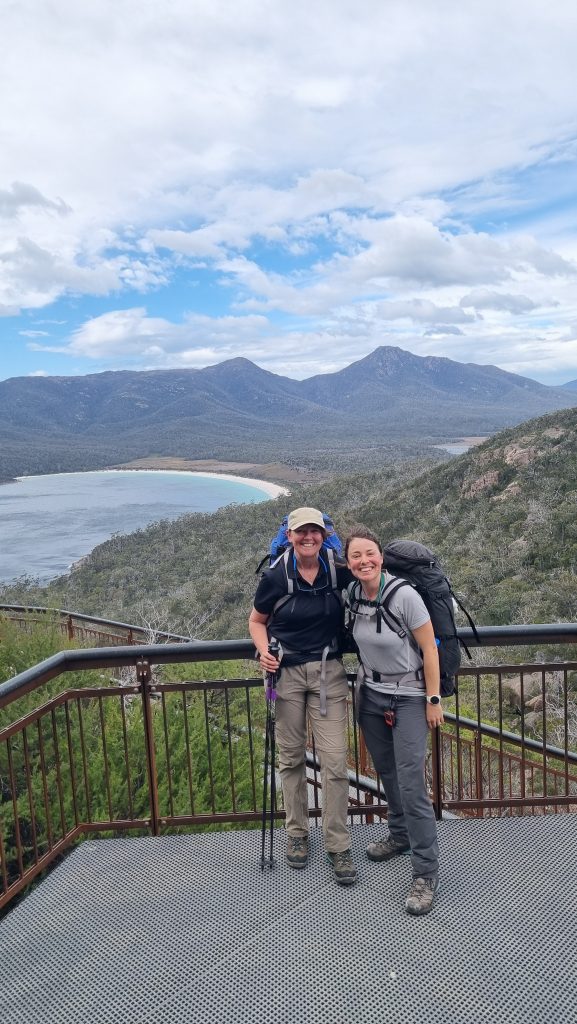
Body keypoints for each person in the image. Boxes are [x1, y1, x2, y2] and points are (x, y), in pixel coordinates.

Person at [249, 507, 357, 885]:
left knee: (335, 760)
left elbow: (371, 580)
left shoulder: (336, 568)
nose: (308, 537)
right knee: (291, 757)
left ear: (323, 534)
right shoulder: (276, 575)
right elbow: (256, 620)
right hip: (286, 673)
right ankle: (297, 835)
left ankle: (337, 843)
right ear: (290, 536)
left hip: (329, 672)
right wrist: (264, 652)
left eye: (314, 531)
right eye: (300, 532)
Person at [344, 525, 443, 915]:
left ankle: (426, 872)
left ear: (380, 557)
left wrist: (433, 699)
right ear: (348, 563)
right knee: (386, 772)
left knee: (411, 781)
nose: (364, 561)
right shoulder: (352, 595)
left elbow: (429, 648)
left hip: (410, 697)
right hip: (370, 694)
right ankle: (399, 835)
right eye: (356, 556)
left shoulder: (405, 596)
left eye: (369, 554)